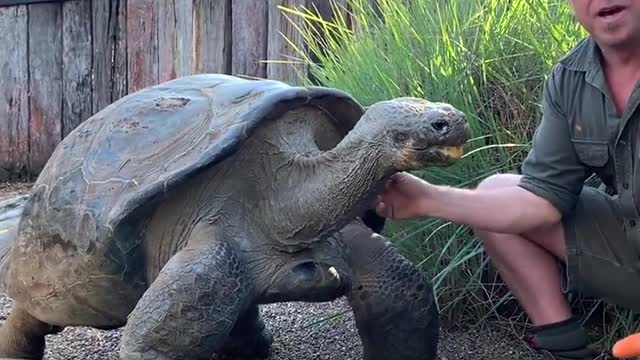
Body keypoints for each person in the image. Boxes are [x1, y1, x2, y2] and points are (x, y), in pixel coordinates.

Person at [374, 1, 640, 359]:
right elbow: (540, 201)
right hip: (628, 249)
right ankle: (566, 348)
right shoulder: (571, 78)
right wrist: (425, 198)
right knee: (497, 192)